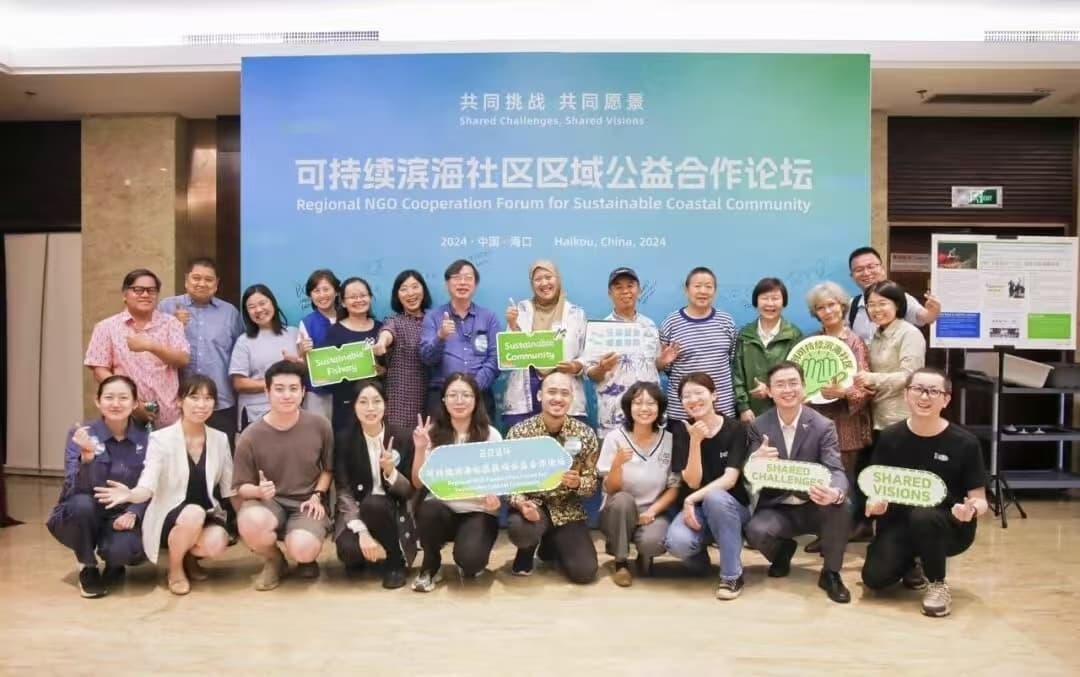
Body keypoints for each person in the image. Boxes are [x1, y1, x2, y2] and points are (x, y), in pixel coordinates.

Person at [93, 375, 237, 595]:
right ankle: (175, 569)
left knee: (216, 542)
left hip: (205, 512)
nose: (201, 404)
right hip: (169, 513)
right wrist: (131, 494)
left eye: (208, 398)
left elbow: (230, 488)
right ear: (179, 401)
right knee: (193, 514)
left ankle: (188, 557)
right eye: (194, 397)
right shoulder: (161, 439)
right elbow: (148, 484)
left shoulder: (220, 439)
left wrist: (247, 515)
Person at [861, 368, 988, 618]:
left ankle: (937, 583)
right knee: (875, 579)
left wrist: (971, 510)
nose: (924, 397)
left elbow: (980, 498)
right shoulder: (890, 437)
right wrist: (873, 504)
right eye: (918, 389)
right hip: (900, 524)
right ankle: (911, 562)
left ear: (946, 399)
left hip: (948, 525)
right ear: (906, 395)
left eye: (933, 391)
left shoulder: (965, 443)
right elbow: (876, 488)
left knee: (924, 515)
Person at [745, 361, 852, 604]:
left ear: (803, 387)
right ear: (769, 391)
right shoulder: (759, 425)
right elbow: (749, 473)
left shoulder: (823, 425)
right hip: (777, 505)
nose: (788, 390)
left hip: (814, 504)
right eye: (780, 385)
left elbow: (835, 469)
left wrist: (835, 492)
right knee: (755, 530)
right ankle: (782, 553)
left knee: (842, 506)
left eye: (793, 383)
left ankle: (831, 573)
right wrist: (755, 460)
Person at [232, 360, 334, 591]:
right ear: (267, 391)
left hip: (307, 503)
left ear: (303, 392)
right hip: (269, 503)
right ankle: (274, 559)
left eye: (293, 388)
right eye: (279, 389)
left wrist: (318, 495)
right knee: (250, 521)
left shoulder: (320, 426)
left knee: (303, 547)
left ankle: (303, 556)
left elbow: (328, 469)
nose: (287, 395)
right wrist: (259, 491)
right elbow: (241, 487)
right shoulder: (250, 436)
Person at [47, 376, 148, 598]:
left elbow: (152, 483)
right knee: (82, 504)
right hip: (85, 509)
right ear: (98, 401)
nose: (116, 404)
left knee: (127, 550)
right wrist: (87, 458)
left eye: (123, 398)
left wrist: (134, 511)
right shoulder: (82, 434)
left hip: (121, 512)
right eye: (109, 397)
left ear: (135, 403)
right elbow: (74, 485)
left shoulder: (146, 437)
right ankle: (87, 566)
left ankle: (115, 561)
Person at [410, 373, 502, 592]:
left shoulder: (491, 435)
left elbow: (500, 480)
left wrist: (496, 498)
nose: (459, 401)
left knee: (471, 563)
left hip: (477, 511)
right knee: (428, 509)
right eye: (452, 395)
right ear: (443, 400)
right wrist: (420, 448)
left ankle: (466, 557)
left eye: (466, 395)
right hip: (442, 509)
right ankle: (431, 565)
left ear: (476, 400)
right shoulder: (432, 433)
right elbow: (418, 483)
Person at [664, 373, 751, 600]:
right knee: (677, 543)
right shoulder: (682, 431)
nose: (693, 399)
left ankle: (732, 575)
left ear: (714, 395)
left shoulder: (736, 429)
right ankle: (701, 559)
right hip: (698, 511)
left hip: (732, 506)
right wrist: (695, 442)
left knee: (716, 498)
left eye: (699, 393)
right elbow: (692, 481)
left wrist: (690, 499)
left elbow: (730, 479)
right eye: (686, 396)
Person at [506, 372, 600, 584]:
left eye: (564, 393)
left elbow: (592, 484)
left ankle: (550, 546)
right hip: (533, 506)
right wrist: (520, 504)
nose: (558, 398)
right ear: (540, 396)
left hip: (567, 509)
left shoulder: (585, 434)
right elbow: (510, 483)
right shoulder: (520, 433)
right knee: (522, 528)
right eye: (552, 392)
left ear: (571, 398)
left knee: (585, 572)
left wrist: (578, 483)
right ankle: (526, 550)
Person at [805, 281, 874, 546]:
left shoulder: (855, 342)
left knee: (843, 479)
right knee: (820, 478)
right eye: (821, 307)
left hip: (846, 424)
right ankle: (825, 533)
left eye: (831, 305)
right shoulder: (811, 342)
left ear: (842, 306)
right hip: (817, 422)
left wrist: (843, 393)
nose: (827, 311)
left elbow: (865, 388)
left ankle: (841, 534)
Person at [332, 379, 416, 589]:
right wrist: (362, 532)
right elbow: (343, 491)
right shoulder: (344, 440)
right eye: (363, 402)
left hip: (391, 510)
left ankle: (395, 561)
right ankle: (367, 552)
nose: (370, 408)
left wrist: (390, 471)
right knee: (349, 553)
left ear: (385, 404)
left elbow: (409, 491)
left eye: (376, 401)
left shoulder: (403, 437)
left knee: (374, 504)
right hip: (356, 511)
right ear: (354, 406)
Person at [85, 268, 191, 428]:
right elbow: (100, 370)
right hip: (125, 416)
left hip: (168, 418)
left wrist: (151, 346)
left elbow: (183, 359)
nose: (145, 294)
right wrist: (131, 401)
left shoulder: (171, 324)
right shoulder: (106, 327)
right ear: (125, 295)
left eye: (151, 290)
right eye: (138, 290)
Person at [597, 381, 677, 588]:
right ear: (628, 407)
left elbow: (674, 486)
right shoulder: (615, 438)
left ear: (659, 408)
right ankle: (620, 562)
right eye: (638, 403)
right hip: (618, 510)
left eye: (651, 403)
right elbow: (611, 489)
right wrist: (617, 464)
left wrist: (652, 511)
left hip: (651, 511)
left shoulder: (669, 440)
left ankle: (645, 554)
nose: (644, 408)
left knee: (654, 542)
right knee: (623, 500)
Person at [158, 257, 244, 444]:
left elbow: (240, 353)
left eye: (208, 279)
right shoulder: (167, 307)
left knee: (221, 455)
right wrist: (173, 325)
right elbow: (154, 348)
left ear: (216, 283)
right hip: (177, 402)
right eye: (196, 278)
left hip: (220, 402)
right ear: (186, 279)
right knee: (179, 457)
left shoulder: (230, 312)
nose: (202, 284)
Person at [503, 260, 589, 429]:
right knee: (524, 445)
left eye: (548, 277)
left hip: (565, 393)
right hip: (524, 397)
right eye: (538, 279)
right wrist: (513, 325)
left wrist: (575, 366)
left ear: (558, 279)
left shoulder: (575, 314)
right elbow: (509, 355)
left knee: (567, 444)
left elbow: (588, 353)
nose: (544, 283)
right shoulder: (521, 310)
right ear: (532, 283)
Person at [584, 267, 662, 440]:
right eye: (618, 287)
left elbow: (653, 367)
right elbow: (590, 373)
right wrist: (602, 368)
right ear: (610, 293)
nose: (625, 291)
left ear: (638, 290)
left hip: (648, 415)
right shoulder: (600, 329)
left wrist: (662, 362)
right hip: (614, 417)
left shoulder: (650, 326)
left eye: (630, 286)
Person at [419, 259, 501, 419]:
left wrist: (472, 388)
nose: (462, 282)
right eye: (456, 278)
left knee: (482, 436)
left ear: (475, 285)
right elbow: (427, 359)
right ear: (446, 284)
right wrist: (440, 337)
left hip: (480, 394)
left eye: (468, 278)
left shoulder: (488, 318)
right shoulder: (433, 317)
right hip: (442, 395)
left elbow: (495, 358)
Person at [658, 266, 737, 421]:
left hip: (722, 410)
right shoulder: (671, 323)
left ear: (715, 291)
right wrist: (662, 361)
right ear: (686, 290)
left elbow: (732, 360)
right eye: (697, 286)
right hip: (682, 413)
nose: (703, 291)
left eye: (708, 286)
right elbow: (663, 366)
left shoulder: (726, 321)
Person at [854, 280, 927, 433]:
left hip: (901, 420)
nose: (876, 309)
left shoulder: (909, 333)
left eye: (883, 303)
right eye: (871, 305)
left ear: (897, 305)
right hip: (877, 418)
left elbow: (910, 376)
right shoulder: (876, 335)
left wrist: (870, 378)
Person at [229, 284, 302, 431]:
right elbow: (239, 383)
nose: (258, 310)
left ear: (272, 303)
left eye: (262, 303)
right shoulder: (244, 341)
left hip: (291, 411)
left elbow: (305, 370)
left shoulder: (294, 333)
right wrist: (275, 385)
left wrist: (300, 363)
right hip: (256, 415)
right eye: (252, 307)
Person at [733, 277, 803, 423]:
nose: (770, 303)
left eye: (775, 298)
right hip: (752, 412)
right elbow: (737, 374)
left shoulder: (793, 335)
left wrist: (770, 390)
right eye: (765, 298)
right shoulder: (745, 335)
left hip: (785, 410)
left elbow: (798, 376)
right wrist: (743, 407)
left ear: (783, 302)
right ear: (756, 301)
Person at [372, 269, 431, 430]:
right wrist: (382, 342)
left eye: (415, 287)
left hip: (433, 397)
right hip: (402, 401)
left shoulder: (434, 320)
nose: (410, 293)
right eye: (404, 289)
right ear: (397, 295)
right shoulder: (394, 321)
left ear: (423, 290)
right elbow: (388, 332)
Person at [324, 277, 384, 433]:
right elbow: (324, 375)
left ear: (370, 298)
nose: (358, 300)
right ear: (343, 302)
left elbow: (391, 365)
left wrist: (383, 371)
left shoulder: (382, 329)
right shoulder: (334, 332)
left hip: (375, 405)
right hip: (345, 405)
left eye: (363, 295)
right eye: (352, 297)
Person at [848, 247, 941, 343]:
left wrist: (933, 311)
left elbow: (926, 317)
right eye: (859, 270)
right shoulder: (852, 305)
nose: (866, 273)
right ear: (852, 277)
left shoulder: (900, 297)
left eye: (871, 267)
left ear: (882, 269)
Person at [297, 268, 341, 420]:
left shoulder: (350, 317)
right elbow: (303, 363)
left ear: (336, 291)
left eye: (326, 289)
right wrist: (303, 352)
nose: (322, 295)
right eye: (316, 291)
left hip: (348, 391)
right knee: (319, 431)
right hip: (318, 393)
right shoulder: (306, 323)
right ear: (310, 296)